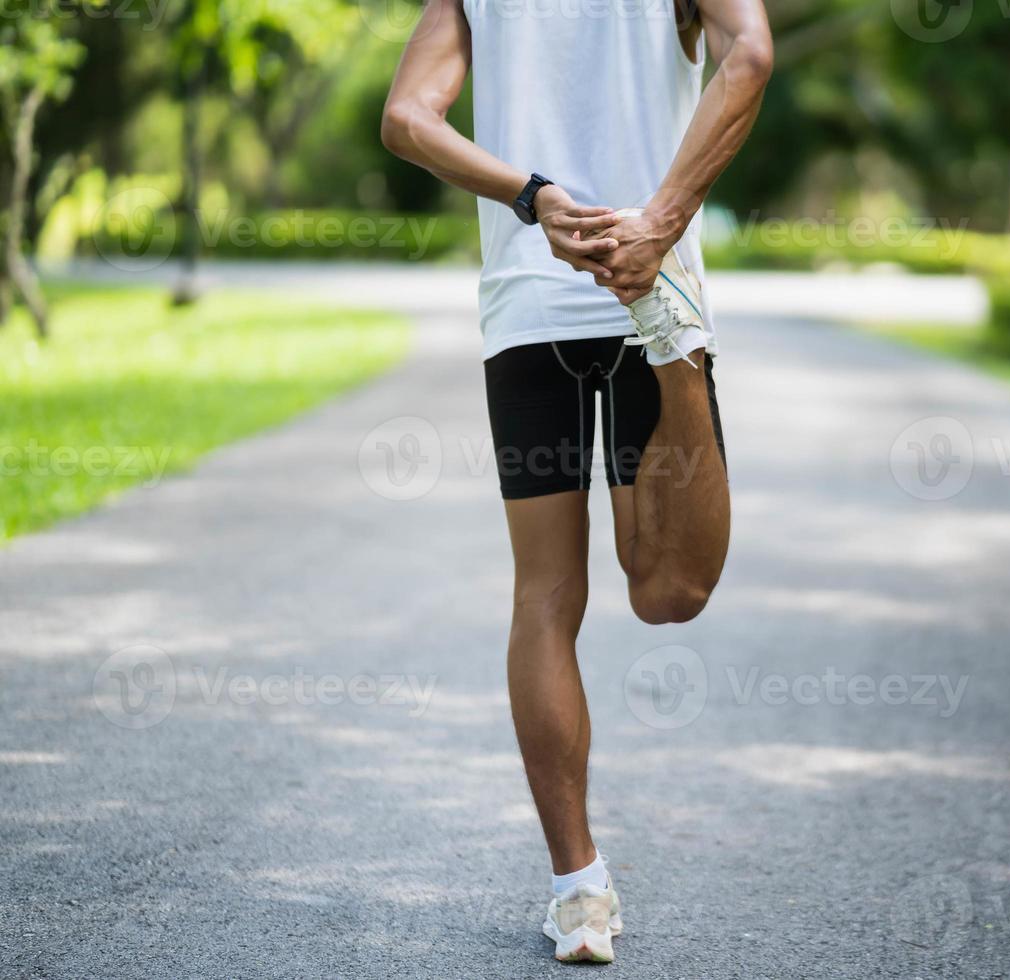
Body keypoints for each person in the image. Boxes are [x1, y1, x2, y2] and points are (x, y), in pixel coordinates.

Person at [380, 0, 772, 963]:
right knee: (618, 594)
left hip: (541, 298)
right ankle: (578, 886)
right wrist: (620, 217)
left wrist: (554, 205)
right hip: (593, 284)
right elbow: (751, 53)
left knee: (598, 595)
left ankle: (578, 893)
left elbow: (408, 119)